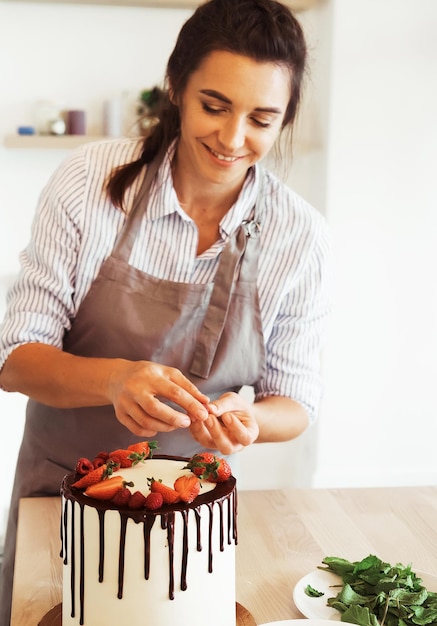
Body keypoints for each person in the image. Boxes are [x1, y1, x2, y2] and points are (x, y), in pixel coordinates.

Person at [0, 0, 331, 623]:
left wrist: (250, 419)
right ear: (175, 86)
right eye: (214, 105)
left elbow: (296, 405)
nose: (233, 139)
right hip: (66, 503)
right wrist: (111, 379)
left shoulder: (299, 236)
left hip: (193, 527)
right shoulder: (90, 184)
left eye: (262, 118)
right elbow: (15, 360)